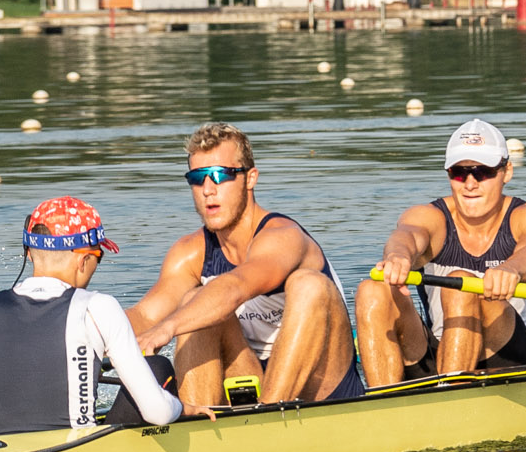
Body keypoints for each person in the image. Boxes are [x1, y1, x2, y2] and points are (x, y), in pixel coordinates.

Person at [129, 123, 366, 408]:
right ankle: (197, 424)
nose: (207, 190)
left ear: (250, 178)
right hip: (252, 377)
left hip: (325, 386)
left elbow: (237, 287)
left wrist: (168, 328)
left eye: (220, 176)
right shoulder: (189, 253)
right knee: (195, 302)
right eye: (197, 177)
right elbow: (143, 315)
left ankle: (268, 419)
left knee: (309, 285)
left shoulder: (283, 237)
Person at [0, 197, 187, 436]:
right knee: (157, 366)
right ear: (83, 260)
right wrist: (183, 408)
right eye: (99, 257)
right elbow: (159, 414)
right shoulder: (98, 307)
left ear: (29, 254)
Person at [354, 120, 526, 386]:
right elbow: (407, 236)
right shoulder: (429, 217)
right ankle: (381, 404)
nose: (470, 184)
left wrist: (512, 269)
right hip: (441, 353)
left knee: (462, 284)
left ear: (506, 171)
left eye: (482, 172)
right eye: (459, 173)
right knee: (371, 289)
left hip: (512, 354)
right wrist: (399, 257)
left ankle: (449, 397)